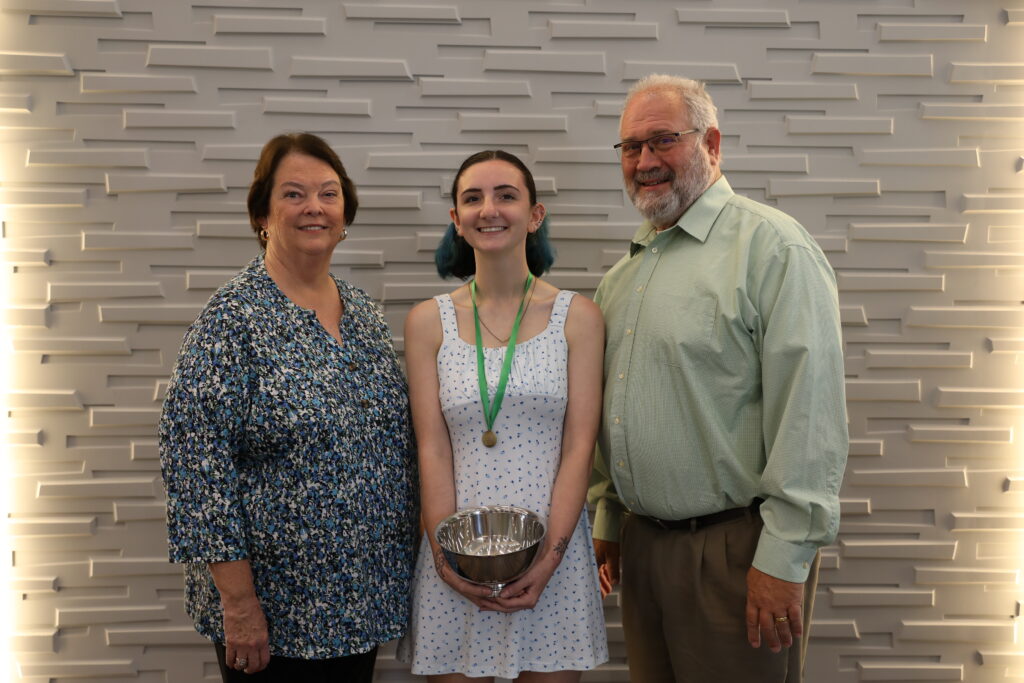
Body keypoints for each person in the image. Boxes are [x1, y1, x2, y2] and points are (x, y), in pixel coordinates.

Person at [589, 74, 848, 683]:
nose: (645, 161)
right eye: (631, 147)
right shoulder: (622, 278)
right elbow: (614, 409)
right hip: (643, 550)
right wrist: (610, 520)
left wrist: (783, 557)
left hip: (737, 552)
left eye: (663, 140)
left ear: (711, 143)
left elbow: (809, 415)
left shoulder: (773, 249)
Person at [158, 132, 417, 682]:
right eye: (294, 194)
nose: (314, 207)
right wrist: (238, 605)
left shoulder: (362, 311)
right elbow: (196, 471)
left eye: (328, 193)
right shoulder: (232, 320)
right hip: (275, 615)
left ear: (345, 213)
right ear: (263, 215)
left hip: (360, 602)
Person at [398, 150, 609, 682]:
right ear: (457, 219)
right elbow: (432, 448)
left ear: (535, 215)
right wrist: (447, 564)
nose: (489, 209)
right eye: (473, 198)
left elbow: (579, 446)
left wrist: (550, 558)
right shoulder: (428, 322)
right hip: (456, 555)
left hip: (553, 554)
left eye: (506, 196)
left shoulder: (578, 318)